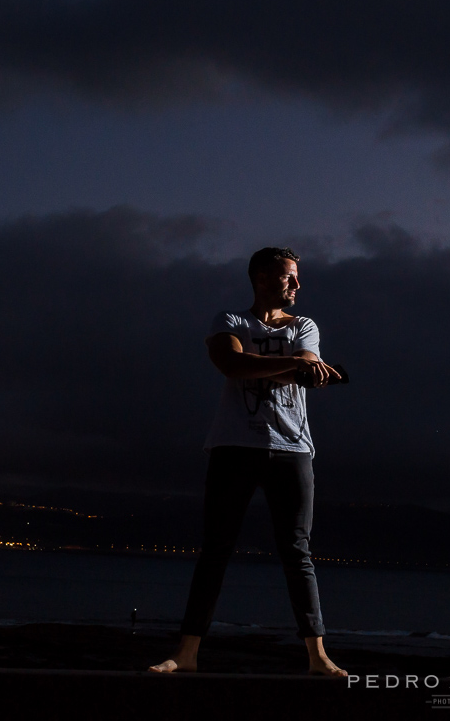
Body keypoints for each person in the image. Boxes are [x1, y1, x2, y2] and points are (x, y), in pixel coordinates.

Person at [150, 247, 347, 677]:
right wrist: (291, 364)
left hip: (292, 448)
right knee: (216, 550)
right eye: (288, 277)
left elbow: (304, 369)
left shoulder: (305, 326)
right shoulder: (230, 321)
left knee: (297, 553)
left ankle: (318, 657)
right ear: (261, 278)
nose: (297, 285)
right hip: (234, 446)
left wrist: (287, 365)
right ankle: (186, 654)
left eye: (296, 278)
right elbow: (229, 363)